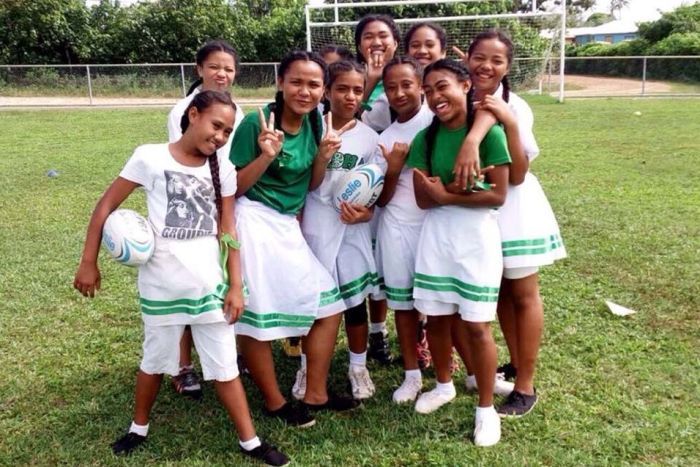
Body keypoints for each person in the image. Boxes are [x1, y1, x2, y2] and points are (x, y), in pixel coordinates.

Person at [73, 90, 289, 465]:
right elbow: (106, 206)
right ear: (193, 114)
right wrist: (89, 261)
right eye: (215, 125)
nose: (220, 136)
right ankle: (138, 427)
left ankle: (250, 441)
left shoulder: (221, 168)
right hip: (161, 284)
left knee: (224, 366)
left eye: (228, 131)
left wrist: (236, 285)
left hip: (209, 286)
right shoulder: (149, 156)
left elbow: (228, 229)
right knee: (154, 361)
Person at [230, 51, 359, 428]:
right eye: (297, 82)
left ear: (323, 91)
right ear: (281, 84)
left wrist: (323, 154)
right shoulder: (256, 124)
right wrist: (267, 156)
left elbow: (312, 183)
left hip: (287, 226)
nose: (305, 91)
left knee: (329, 306)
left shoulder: (317, 123)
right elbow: (234, 187)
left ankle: (315, 392)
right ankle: (274, 401)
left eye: (314, 84)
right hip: (253, 221)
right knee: (258, 316)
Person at [456, 30, 567, 417]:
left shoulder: (515, 105)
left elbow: (518, 175)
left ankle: (525, 384)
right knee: (499, 293)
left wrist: (510, 124)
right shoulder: (455, 98)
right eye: (480, 57)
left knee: (523, 294)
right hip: (476, 213)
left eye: (497, 60)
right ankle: (515, 364)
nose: (487, 66)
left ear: (507, 67)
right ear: (466, 57)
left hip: (514, 210)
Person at [408, 59, 511, 447]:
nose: (435, 97)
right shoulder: (426, 139)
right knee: (436, 319)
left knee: (477, 325)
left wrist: (445, 193)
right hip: (437, 237)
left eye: (442, 86)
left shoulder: (489, 135)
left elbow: (497, 195)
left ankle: (485, 409)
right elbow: (422, 199)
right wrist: (451, 191)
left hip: (477, 239)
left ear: (465, 84)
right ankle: (444, 384)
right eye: (429, 90)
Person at [166, 40, 245, 398]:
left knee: (222, 280)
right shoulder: (184, 110)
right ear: (199, 69)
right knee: (186, 286)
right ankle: (183, 367)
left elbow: (235, 162)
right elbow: (185, 163)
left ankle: (229, 356)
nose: (222, 74)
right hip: (195, 209)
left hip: (227, 202)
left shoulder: (237, 111)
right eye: (215, 66)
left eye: (228, 68)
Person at [299, 60, 381, 400]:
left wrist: (364, 214)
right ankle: (306, 367)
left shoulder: (369, 138)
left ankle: (357, 366)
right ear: (327, 92)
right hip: (316, 225)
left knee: (354, 304)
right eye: (342, 88)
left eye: (358, 90)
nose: (350, 96)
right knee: (312, 305)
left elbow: (376, 187)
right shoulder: (308, 128)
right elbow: (308, 183)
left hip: (351, 230)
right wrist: (322, 154)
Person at [372, 56, 434, 402]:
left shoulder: (436, 123)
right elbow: (381, 200)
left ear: (420, 86)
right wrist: (394, 168)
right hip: (397, 228)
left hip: (433, 227)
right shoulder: (388, 135)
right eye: (391, 87)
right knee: (404, 307)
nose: (398, 93)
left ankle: (449, 370)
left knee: (441, 304)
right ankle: (411, 375)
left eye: (406, 84)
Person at [354, 14, 401, 363]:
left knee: (393, 262)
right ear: (359, 45)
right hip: (361, 184)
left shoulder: (405, 76)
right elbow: (343, 120)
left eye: (383, 35)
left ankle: (395, 333)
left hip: (401, 184)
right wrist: (368, 82)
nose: (376, 42)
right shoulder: (355, 78)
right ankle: (376, 333)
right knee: (369, 261)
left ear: (395, 43)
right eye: (368, 36)